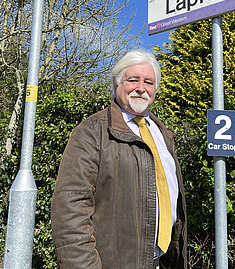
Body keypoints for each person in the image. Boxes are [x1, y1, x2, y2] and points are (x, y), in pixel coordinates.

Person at [51, 50, 187, 269]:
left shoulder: (163, 135)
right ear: (117, 84)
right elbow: (70, 209)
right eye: (133, 80)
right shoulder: (92, 132)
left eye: (149, 82)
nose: (141, 88)